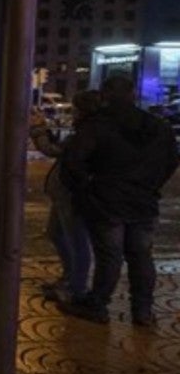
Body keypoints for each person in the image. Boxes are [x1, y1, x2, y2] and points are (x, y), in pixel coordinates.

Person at [59, 76, 180, 326]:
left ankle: (98, 303)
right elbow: (170, 161)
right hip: (142, 200)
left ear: (104, 95)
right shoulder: (156, 126)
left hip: (107, 200)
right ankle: (143, 311)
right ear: (132, 94)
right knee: (140, 255)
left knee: (110, 255)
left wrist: (87, 186)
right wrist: (149, 185)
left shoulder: (97, 126)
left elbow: (73, 162)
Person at [29, 90, 101, 303]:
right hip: (64, 193)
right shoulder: (85, 131)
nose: (73, 114)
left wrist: (38, 128)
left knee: (77, 240)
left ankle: (76, 288)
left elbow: (53, 150)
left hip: (73, 193)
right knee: (56, 234)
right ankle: (69, 278)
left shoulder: (88, 133)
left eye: (76, 109)